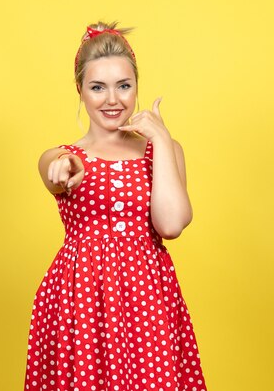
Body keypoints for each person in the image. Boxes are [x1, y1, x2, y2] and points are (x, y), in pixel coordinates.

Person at [24, 20, 207, 390]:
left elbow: (171, 225)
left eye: (124, 86)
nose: (112, 100)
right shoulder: (64, 156)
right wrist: (64, 168)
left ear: (136, 86)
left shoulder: (165, 151)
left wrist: (161, 137)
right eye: (97, 87)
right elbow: (55, 169)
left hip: (147, 297)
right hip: (82, 298)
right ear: (80, 90)